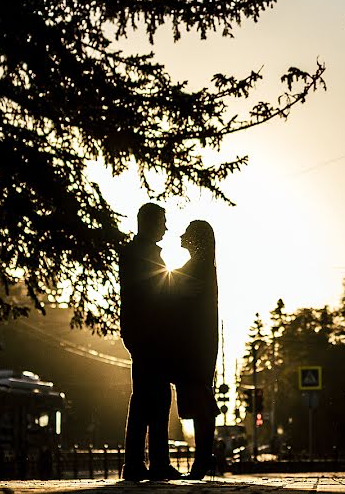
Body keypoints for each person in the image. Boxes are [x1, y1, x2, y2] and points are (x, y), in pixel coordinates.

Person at [120, 203, 182, 481]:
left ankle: (141, 462)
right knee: (154, 399)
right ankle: (149, 463)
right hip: (150, 336)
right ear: (150, 222)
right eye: (163, 222)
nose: (166, 228)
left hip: (143, 334)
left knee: (147, 398)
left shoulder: (137, 252)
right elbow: (154, 297)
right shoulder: (142, 254)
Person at [169, 220, 220, 479]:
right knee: (198, 400)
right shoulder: (199, 268)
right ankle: (203, 458)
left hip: (194, 347)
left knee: (199, 401)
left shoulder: (197, 270)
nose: (181, 235)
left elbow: (171, 291)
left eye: (187, 232)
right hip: (195, 346)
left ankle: (202, 460)